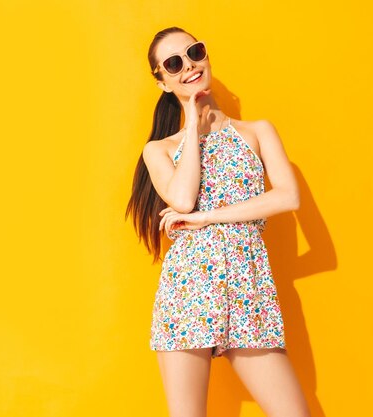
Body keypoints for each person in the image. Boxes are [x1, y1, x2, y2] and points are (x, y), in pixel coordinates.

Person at [125, 27, 311, 417]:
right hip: (187, 294)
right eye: (174, 64)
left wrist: (207, 217)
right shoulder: (159, 149)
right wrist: (192, 123)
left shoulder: (257, 132)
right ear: (161, 80)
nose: (189, 65)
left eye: (194, 52)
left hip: (248, 290)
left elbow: (286, 196)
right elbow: (180, 199)